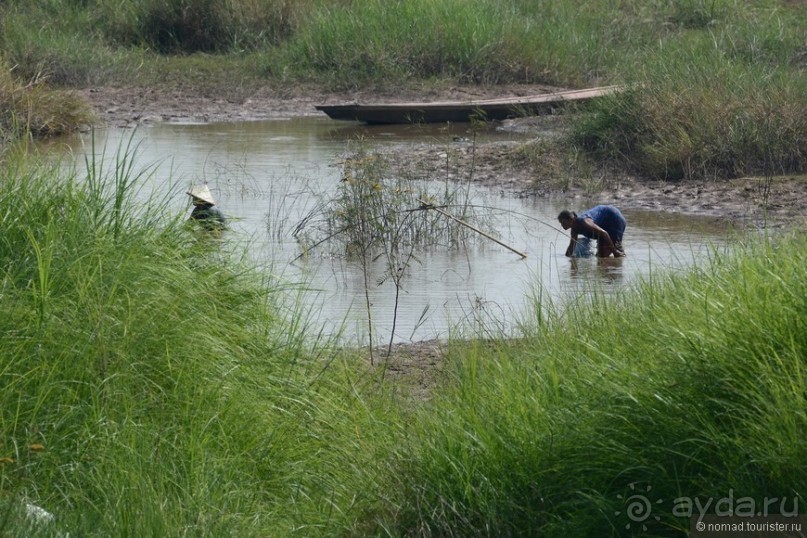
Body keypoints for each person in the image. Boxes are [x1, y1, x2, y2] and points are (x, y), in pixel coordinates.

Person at [558, 205, 626, 258]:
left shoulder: (585, 222)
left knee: (615, 251)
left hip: (614, 218)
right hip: (603, 224)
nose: (562, 225)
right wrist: (567, 258)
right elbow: (571, 246)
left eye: (563, 222)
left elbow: (604, 233)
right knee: (601, 255)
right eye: (560, 223)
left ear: (570, 220)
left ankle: (619, 256)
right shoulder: (574, 230)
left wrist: (614, 252)